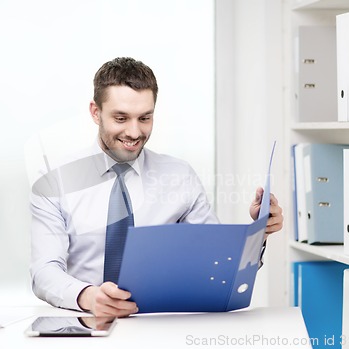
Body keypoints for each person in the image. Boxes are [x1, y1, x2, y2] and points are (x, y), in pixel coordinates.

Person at [30, 57, 283, 318]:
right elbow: (44, 271)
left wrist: (258, 233)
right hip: (86, 320)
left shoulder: (179, 176)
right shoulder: (55, 180)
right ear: (96, 113)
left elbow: (217, 265)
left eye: (145, 118)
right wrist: (88, 296)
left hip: (160, 324)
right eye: (121, 118)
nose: (134, 131)